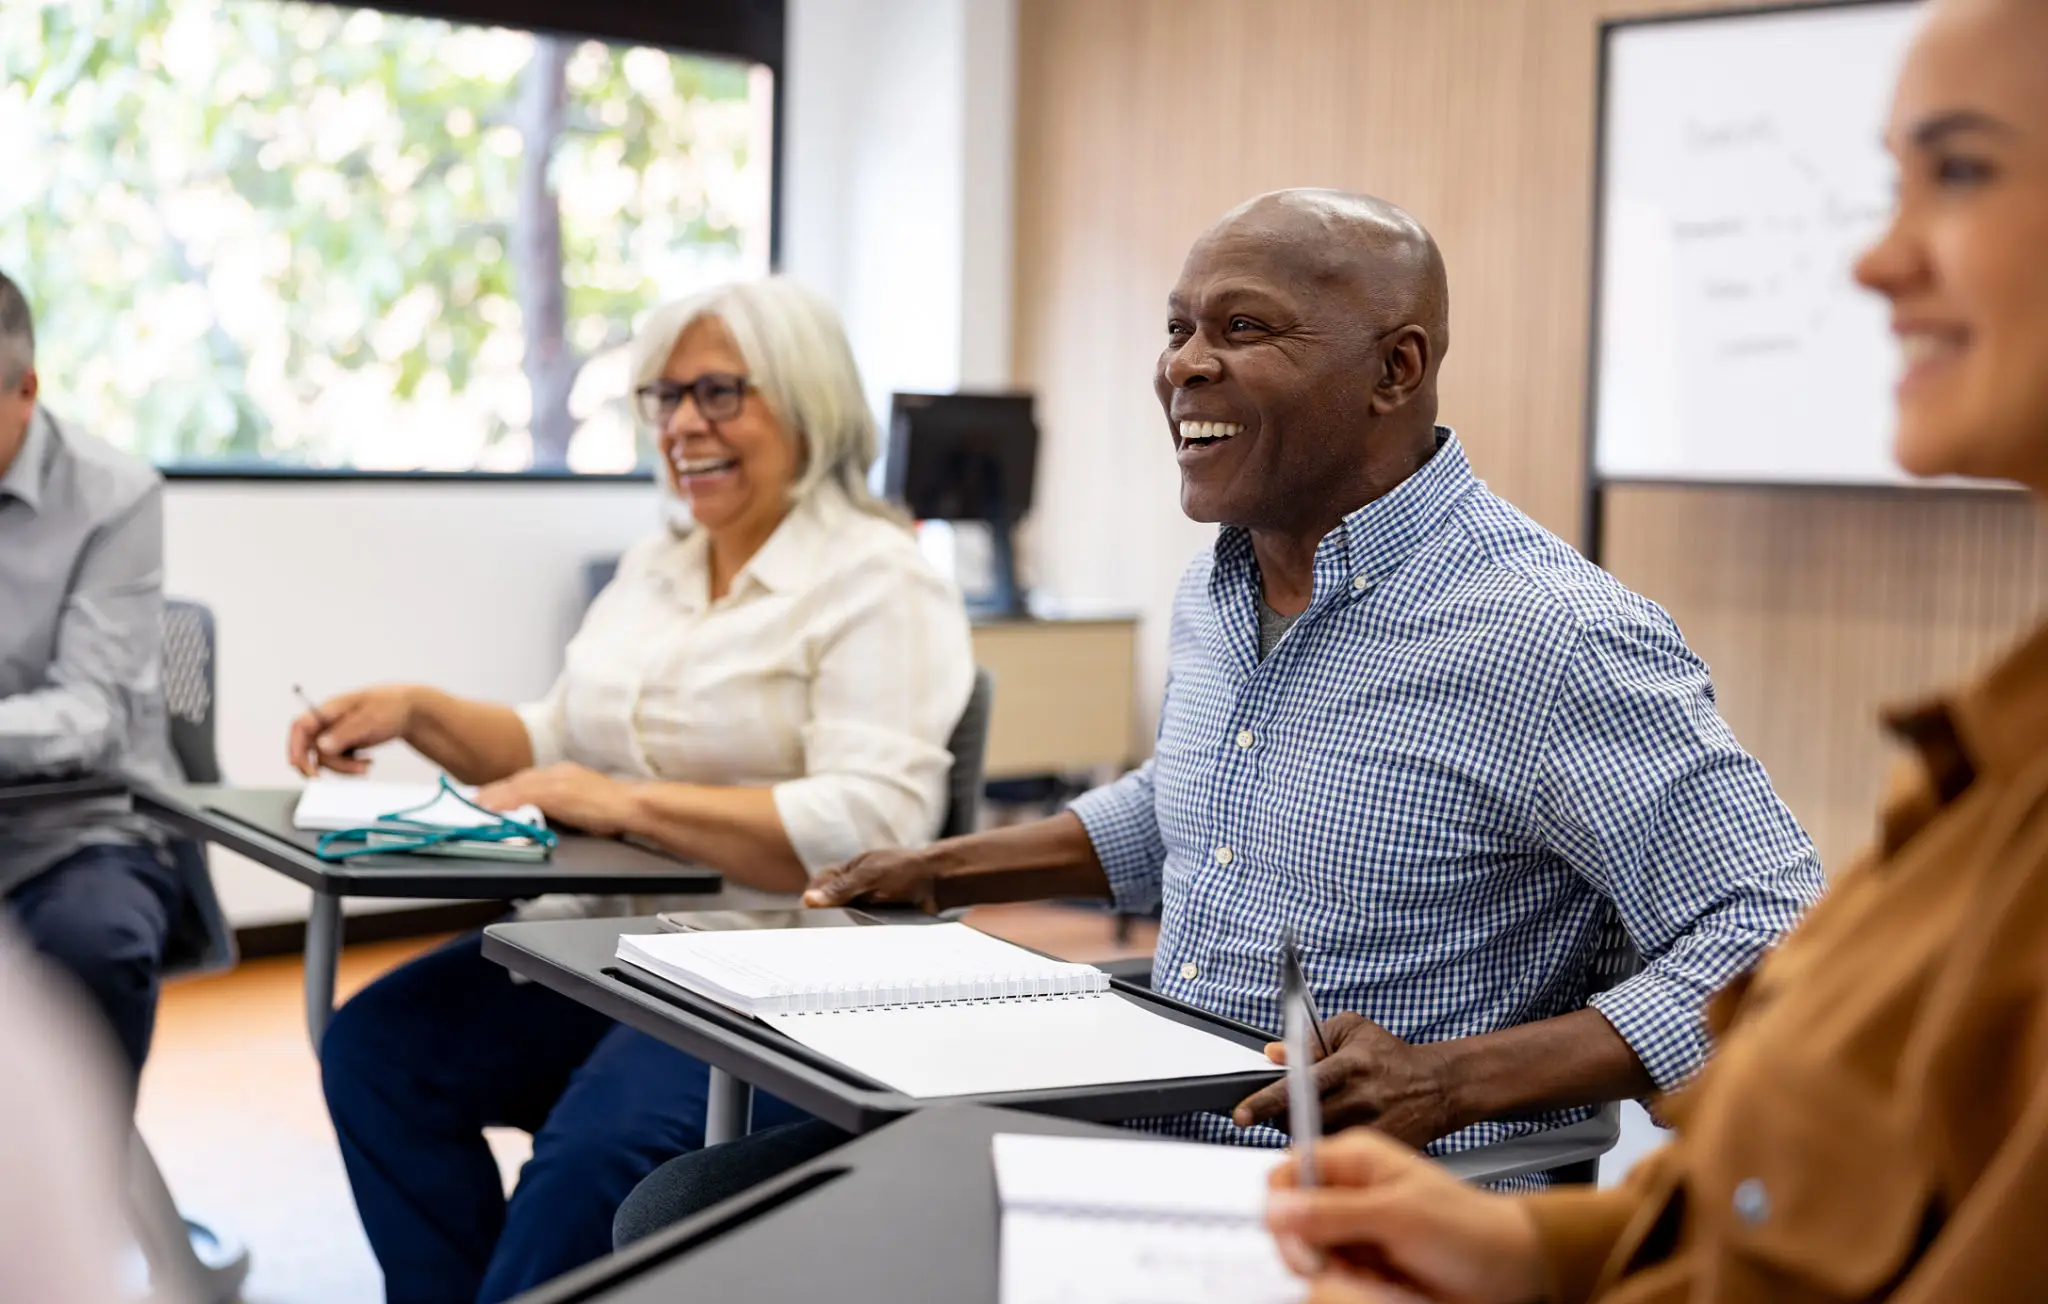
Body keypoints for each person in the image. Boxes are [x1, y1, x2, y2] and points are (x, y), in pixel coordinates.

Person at [609, 189, 1826, 1244]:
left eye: (1240, 329)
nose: (1181, 365)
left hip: (1334, 1196)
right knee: (689, 1206)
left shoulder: (1552, 636)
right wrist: (947, 866)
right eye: (1178, 328)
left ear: (1393, 371)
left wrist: (1455, 1078)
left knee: (710, 1231)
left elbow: (1774, 929)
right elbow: (1187, 805)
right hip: (1132, 1117)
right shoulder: (1224, 578)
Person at [1259, 1, 2048, 1300]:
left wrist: (1468, 1092)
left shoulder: (1552, 636)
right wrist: (1518, 1249)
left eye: (1960, 172)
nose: (1875, 261)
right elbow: (1794, 1211)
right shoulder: (1983, 764)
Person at [302, 276, 975, 1304]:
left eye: (716, 392)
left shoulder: (879, 577)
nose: (681, 425)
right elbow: (550, 735)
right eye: (662, 398)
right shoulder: (657, 563)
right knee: (377, 1049)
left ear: (806, 401)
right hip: (603, 944)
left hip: (773, 982)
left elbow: (872, 826)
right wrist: (414, 709)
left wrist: (623, 803)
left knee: (593, 1157)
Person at [0, 270, 187, 1096]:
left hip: (81, 824)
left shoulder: (115, 495)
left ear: (27, 388)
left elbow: (94, 712)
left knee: (91, 946)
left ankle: (64, 1212)